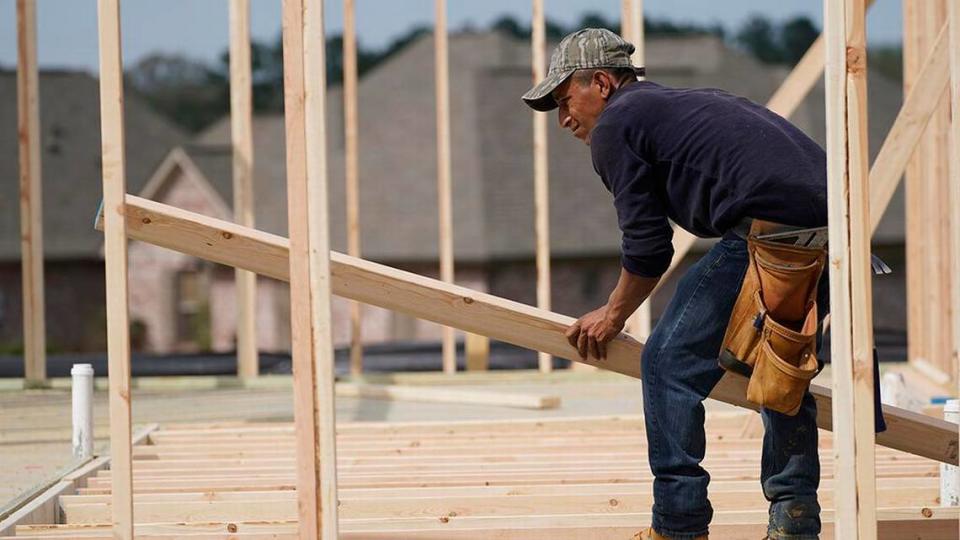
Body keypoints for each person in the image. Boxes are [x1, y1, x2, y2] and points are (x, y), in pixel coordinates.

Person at [521, 28, 829, 540]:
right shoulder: (677, 106)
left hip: (768, 229)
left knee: (666, 366)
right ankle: (796, 516)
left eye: (564, 99)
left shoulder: (617, 125)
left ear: (600, 82)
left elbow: (647, 247)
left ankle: (679, 525)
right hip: (833, 229)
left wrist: (612, 314)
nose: (564, 119)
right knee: (782, 365)